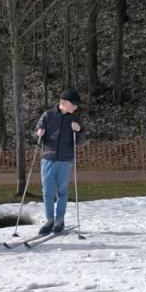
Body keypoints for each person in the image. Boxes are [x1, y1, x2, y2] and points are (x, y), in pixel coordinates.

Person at [33, 89, 84, 235]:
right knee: (47, 191)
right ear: (65, 102)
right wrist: (38, 133)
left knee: (62, 191)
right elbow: (36, 134)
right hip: (48, 158)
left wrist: (78, 130)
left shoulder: (75, 118)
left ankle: (59, 220)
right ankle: (50, 220)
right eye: (74, 104)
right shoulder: (48, 115)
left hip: (65, 159)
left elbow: (80, 140)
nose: (76, 107)